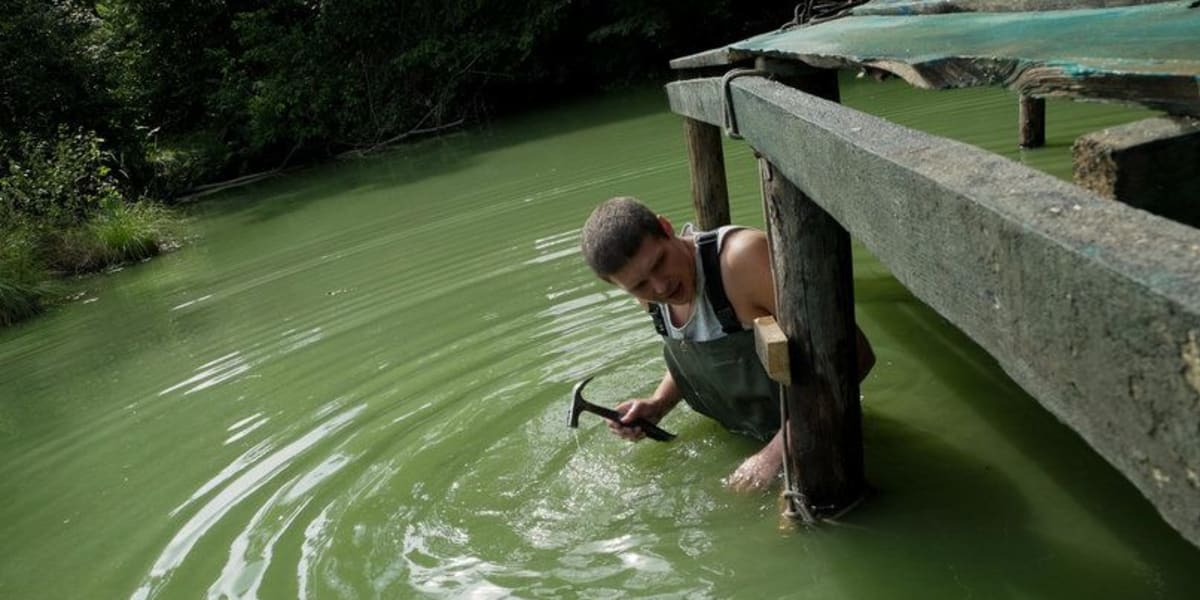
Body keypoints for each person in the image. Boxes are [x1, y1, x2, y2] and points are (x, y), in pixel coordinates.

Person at [580, 196, 875, 491]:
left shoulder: (741, 262)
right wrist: (658, 404)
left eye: (660, 262)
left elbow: (853, 356)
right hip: (754, 445)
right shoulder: (651, 296)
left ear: (666, 227)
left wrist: (775, 453)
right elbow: (698, 353)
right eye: (639, 285)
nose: (660, 287)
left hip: (827, 444)